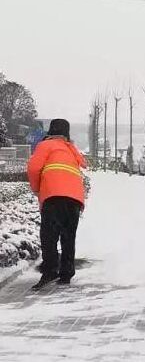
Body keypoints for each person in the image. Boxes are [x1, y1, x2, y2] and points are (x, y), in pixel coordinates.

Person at [27, 119, 87, 289]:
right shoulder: (71, 149)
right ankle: (66, 274)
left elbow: (33, 168)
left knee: (49, 236)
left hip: (54, 196)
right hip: (74, 198)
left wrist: (36, 188)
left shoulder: (46, 145)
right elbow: (83, 164)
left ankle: (50, 271)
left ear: (50, 131)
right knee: (68, 236)